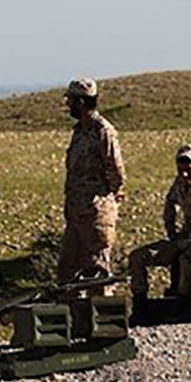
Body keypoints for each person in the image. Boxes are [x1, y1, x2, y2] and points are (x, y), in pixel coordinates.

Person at [128, 144, 191, 304]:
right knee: (138, 256)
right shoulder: (179, 185)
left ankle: (183, 302)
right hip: (184, 239)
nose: (185, 174)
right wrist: (171, 229)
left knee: (188, 259)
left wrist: (183, 242)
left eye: (189, 170)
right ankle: (141, 301)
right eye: (180, 170)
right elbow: (170, 204)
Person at [58, 77, 126, 288]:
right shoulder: (79, 131)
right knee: (67, 273)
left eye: (70, 100)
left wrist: (108, 200)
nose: (68, 105)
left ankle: (104, 319)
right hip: (76, 214)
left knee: (98, 273)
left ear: (81, 102)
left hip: (96, 215)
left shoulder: (102, 131)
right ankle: (75, 319)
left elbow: (116, 171)